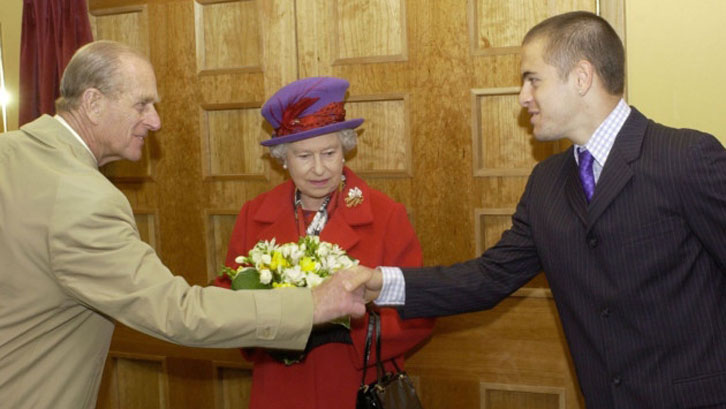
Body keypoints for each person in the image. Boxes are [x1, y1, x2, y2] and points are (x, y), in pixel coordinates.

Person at [347, 11, 726, 409]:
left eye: (533, 79)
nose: (523, 97)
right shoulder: (546, 181)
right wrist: (381, 283)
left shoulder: (686, 158)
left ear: (581, 77)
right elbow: (490, 277)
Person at [0, 41, 366, 409]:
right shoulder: (84, 198)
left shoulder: (10, 152)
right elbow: (177, 313)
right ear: (93, 103)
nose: (155, 120)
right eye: (142, 104)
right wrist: (311, 306)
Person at [214, 76, 434, 409]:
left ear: (345, 149)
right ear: (283, 159)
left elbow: (418, 312)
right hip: (279, 389)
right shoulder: (254, 214)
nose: (319, 169)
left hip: (354, 388)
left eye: (329, 153)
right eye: (304, 156)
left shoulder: (386, 215)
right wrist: (269, 326)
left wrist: (347, 330)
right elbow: (228, 299)